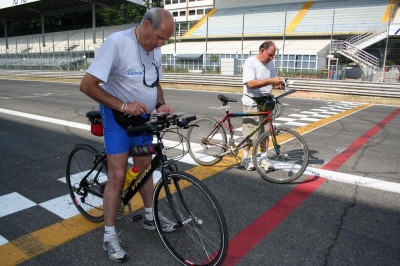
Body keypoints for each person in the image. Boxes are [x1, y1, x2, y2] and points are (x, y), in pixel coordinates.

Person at [79, 8, 175, 263]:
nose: (160, 44)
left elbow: (155, 84)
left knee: (145, 169)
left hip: (141, 117)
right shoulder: (117, 43)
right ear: (146, 25)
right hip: (117, 118)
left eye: (164, 40)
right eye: (158, 38)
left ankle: (150, 217)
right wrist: (123, 105)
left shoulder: (155, 47)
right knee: (118, 175)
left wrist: (161, 104)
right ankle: (109, 236)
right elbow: (87, 85)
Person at [241, 40, 283, 171]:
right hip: (252, 102)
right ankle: (246, 158)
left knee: (265, 132)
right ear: (262, 50)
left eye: (273, 55)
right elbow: (251, 84)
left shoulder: (271, 63)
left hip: (266, 101)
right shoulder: (250, 62)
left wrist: (279, 84)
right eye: (270, 55)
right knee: (250, 133)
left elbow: (272, 82)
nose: (271, 58)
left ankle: (264, 158)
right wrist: (271, 81)